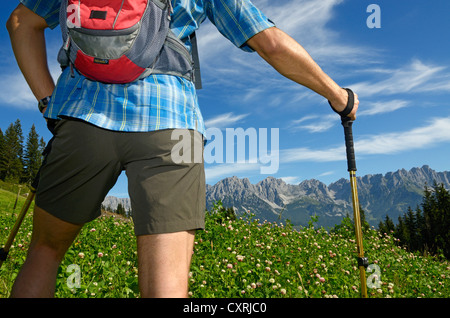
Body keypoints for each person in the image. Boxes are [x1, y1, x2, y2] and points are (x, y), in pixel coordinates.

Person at [6, 0, 358, 298]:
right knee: (166, 287)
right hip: (172, 126)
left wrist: (48, 101)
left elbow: (20, 23)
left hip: (83, 118)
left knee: (45, 252)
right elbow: (271, 43)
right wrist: (337, 95)